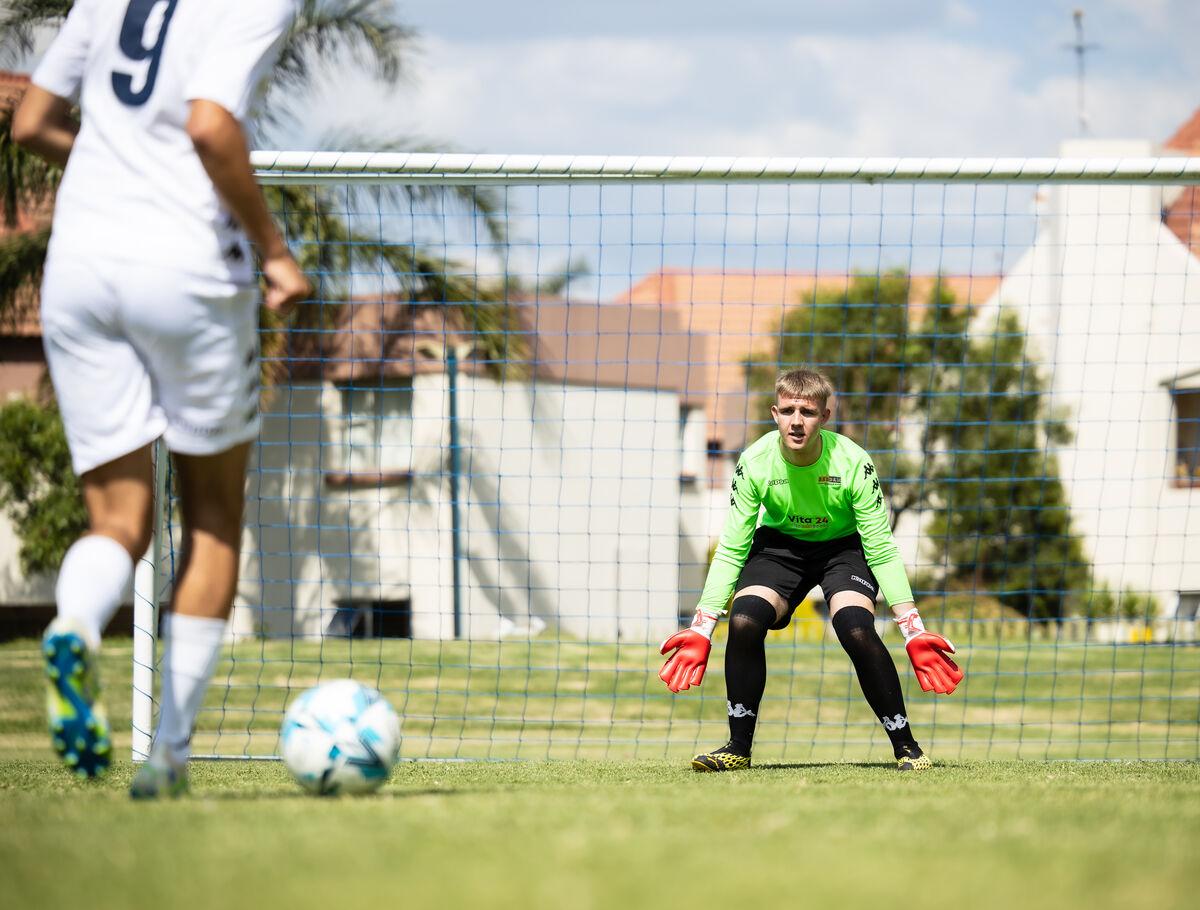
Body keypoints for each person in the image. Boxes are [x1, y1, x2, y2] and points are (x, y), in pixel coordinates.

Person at [13, 0, 308, 797]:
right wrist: (276, 255)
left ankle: (73, 626)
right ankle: (168, 759)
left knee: (118, 521)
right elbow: (211, 125)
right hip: (187, 268)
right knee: (212, 517)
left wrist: (117, 168)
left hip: (80, 265)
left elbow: (33, 122)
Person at [659, 368, 963, 771]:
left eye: (808, 411)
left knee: (855, 626)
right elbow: (733, 545)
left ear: (825, 416)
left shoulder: (854, 461)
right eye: (788, 410)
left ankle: (907, 747)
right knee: (746, 619)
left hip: (843, 549)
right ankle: (737, 748)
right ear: (775, 413)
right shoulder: (754, 462)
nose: (797, 420)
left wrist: (912, 627)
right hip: (781, 548)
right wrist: (702, 625)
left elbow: (881, 546)